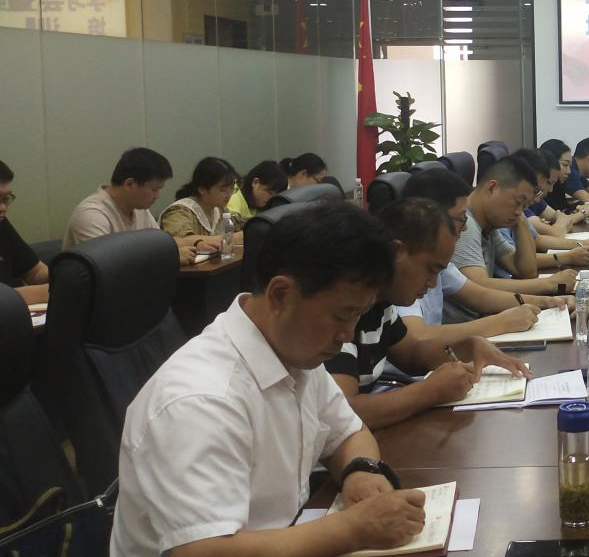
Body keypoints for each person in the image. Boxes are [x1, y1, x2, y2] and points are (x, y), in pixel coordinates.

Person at [111, 202, 429, 557]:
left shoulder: (294, 350)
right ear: (281, 295)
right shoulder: (201, 400)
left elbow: (349, 432)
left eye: (358, 315)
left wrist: (361, 471)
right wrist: (353, 528)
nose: (348, 335)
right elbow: (201, 551)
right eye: (343, 315)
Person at [325, 198, 531, 429]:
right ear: (396, 252)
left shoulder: (381, 303)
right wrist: (429, 392)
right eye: (431, 269)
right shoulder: (343, 311)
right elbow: (343, 413)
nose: (433, 283)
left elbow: (412, 353)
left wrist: (468, 346)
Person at [396, 169, 545, 338]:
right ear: (427, 215)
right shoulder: (403, 268)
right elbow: (417, 337)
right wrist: (501, 322)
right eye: (461, 218)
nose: (465, 227)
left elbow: (481, 296)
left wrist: (549, 301)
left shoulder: (438, 260)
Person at [446, 156, 578, 324]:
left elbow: (525, 271)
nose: (518, 211)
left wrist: (521, 220)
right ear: (492, 188)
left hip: (482, 319)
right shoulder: (465, 225)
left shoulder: (488, 224)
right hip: (465, 326)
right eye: (517, 202)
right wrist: (550, 284)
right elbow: (480, 286)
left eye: (524, 207)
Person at [63, 148, 212, 263]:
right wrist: (169, 258)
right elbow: (106, 266)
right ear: (130, 184)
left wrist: (196, 243)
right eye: (154, 189)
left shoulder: (139, 208)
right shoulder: (91, 214)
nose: (158, 196)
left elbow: (160, 245)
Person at [160, 157, 244, 241]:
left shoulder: (220, 209)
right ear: (202, 189)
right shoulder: (180, 211)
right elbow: (180, 240)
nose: (229, 194)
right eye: (222, 190)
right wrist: (232, 238)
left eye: (232, 188)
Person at [0, 160, 48, 305]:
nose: (3, 208)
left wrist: (66, 275)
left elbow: (35, 271)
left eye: (5, 199)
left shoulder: (2, 224)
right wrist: (56, 290)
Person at [527, 146, 589, 237]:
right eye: (565, 165)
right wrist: (587, 211)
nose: (550, 189)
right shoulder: (527, 202)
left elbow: (561, 218)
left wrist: (559, 224)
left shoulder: (537, 197)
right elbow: (557, 232)